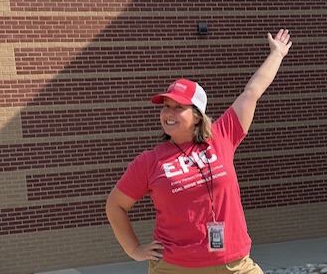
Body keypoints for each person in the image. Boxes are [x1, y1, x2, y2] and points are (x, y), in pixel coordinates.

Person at [106, 28, 292, 274]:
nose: (167, 113)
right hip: (175, 267)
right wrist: (134, 249)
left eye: (177, 107)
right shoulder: (149, 161)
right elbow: (115, 205)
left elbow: (252, 92)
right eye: (165, 107)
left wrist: (277, 54)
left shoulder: (222, 136)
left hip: (233, 262)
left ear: (196, 115)